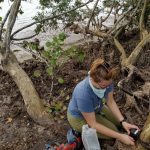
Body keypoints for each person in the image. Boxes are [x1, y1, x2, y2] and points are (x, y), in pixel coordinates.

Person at [67, 58, 140, 146]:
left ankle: (106, 121)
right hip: (79, 117)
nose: (107, 88)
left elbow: (110, 101)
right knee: (114, 132)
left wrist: (123, 121)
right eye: (104, 86)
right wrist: (120, 136)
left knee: (118, 124)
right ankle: (77, 132)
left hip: (96, 107)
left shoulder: (107, 80)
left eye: (108, 85)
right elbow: (93, 124)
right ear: (93, 80)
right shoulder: (83, 93)